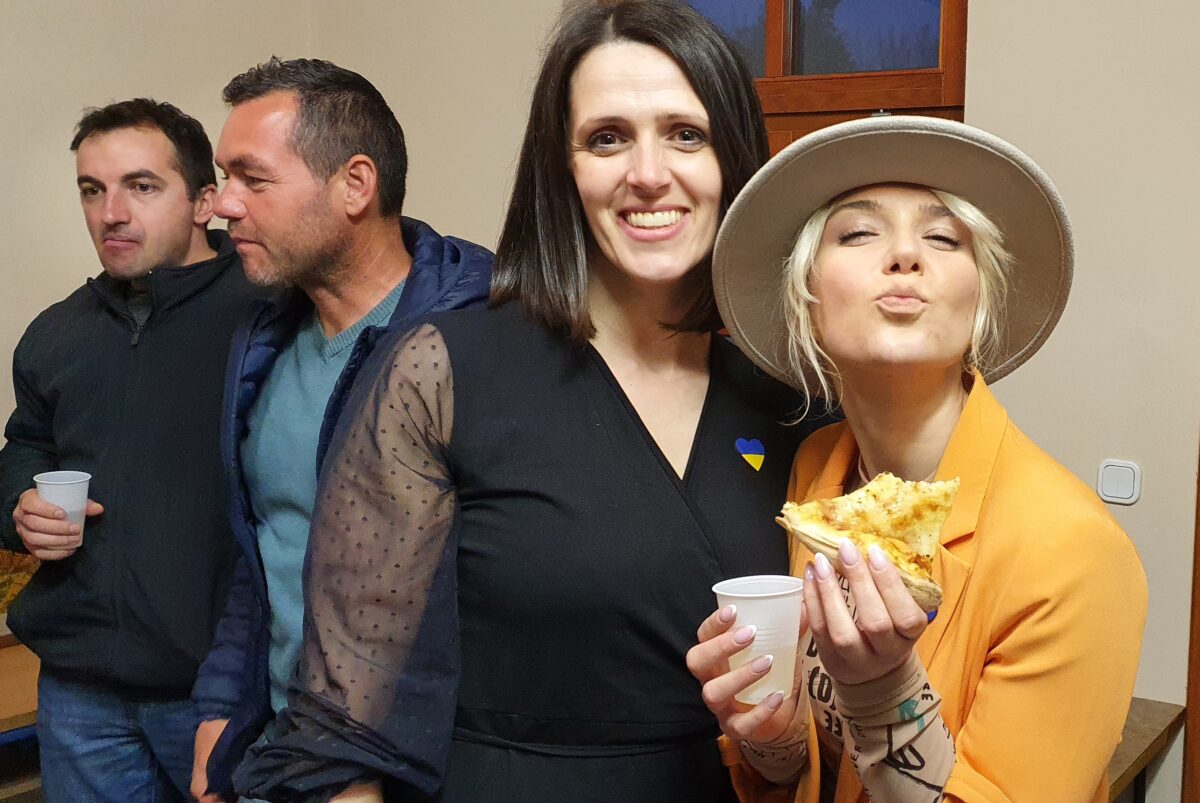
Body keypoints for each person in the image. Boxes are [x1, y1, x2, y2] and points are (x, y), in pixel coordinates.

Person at [232, 2, 833, 801]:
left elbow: (825, 719)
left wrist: (782, 738)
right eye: (607, 138)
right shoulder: (443, 372)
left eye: (686, 134)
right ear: (562, 168)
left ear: (735, 157)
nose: (648, 172)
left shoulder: (795, 401)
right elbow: (345, 725)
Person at [688, 115, 1148, 802]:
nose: (905, 254)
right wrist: (772, 737)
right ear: (806, 300)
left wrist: (884, 689)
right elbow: (815, 769)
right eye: (858, 233)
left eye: (942, 237)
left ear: (979, 298)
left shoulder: (1076, 552)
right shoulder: (819, 472)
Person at [188, 58, 494, 803]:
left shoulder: (480, 341)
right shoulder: (263, 340)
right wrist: (220, 711)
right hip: (282, 755)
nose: (222, 205)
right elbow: (265, 546)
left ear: (355, 184)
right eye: (223, 177)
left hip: (413, 773)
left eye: (252, 179)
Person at [0, 99, 260, 802]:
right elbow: (25, 444)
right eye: (92, 189)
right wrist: (21, 503)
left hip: (219, 691)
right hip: (78, 690)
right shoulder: (56, 333)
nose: (110, 213)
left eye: (141, 186)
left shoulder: (267, 315)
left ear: (204, 201)